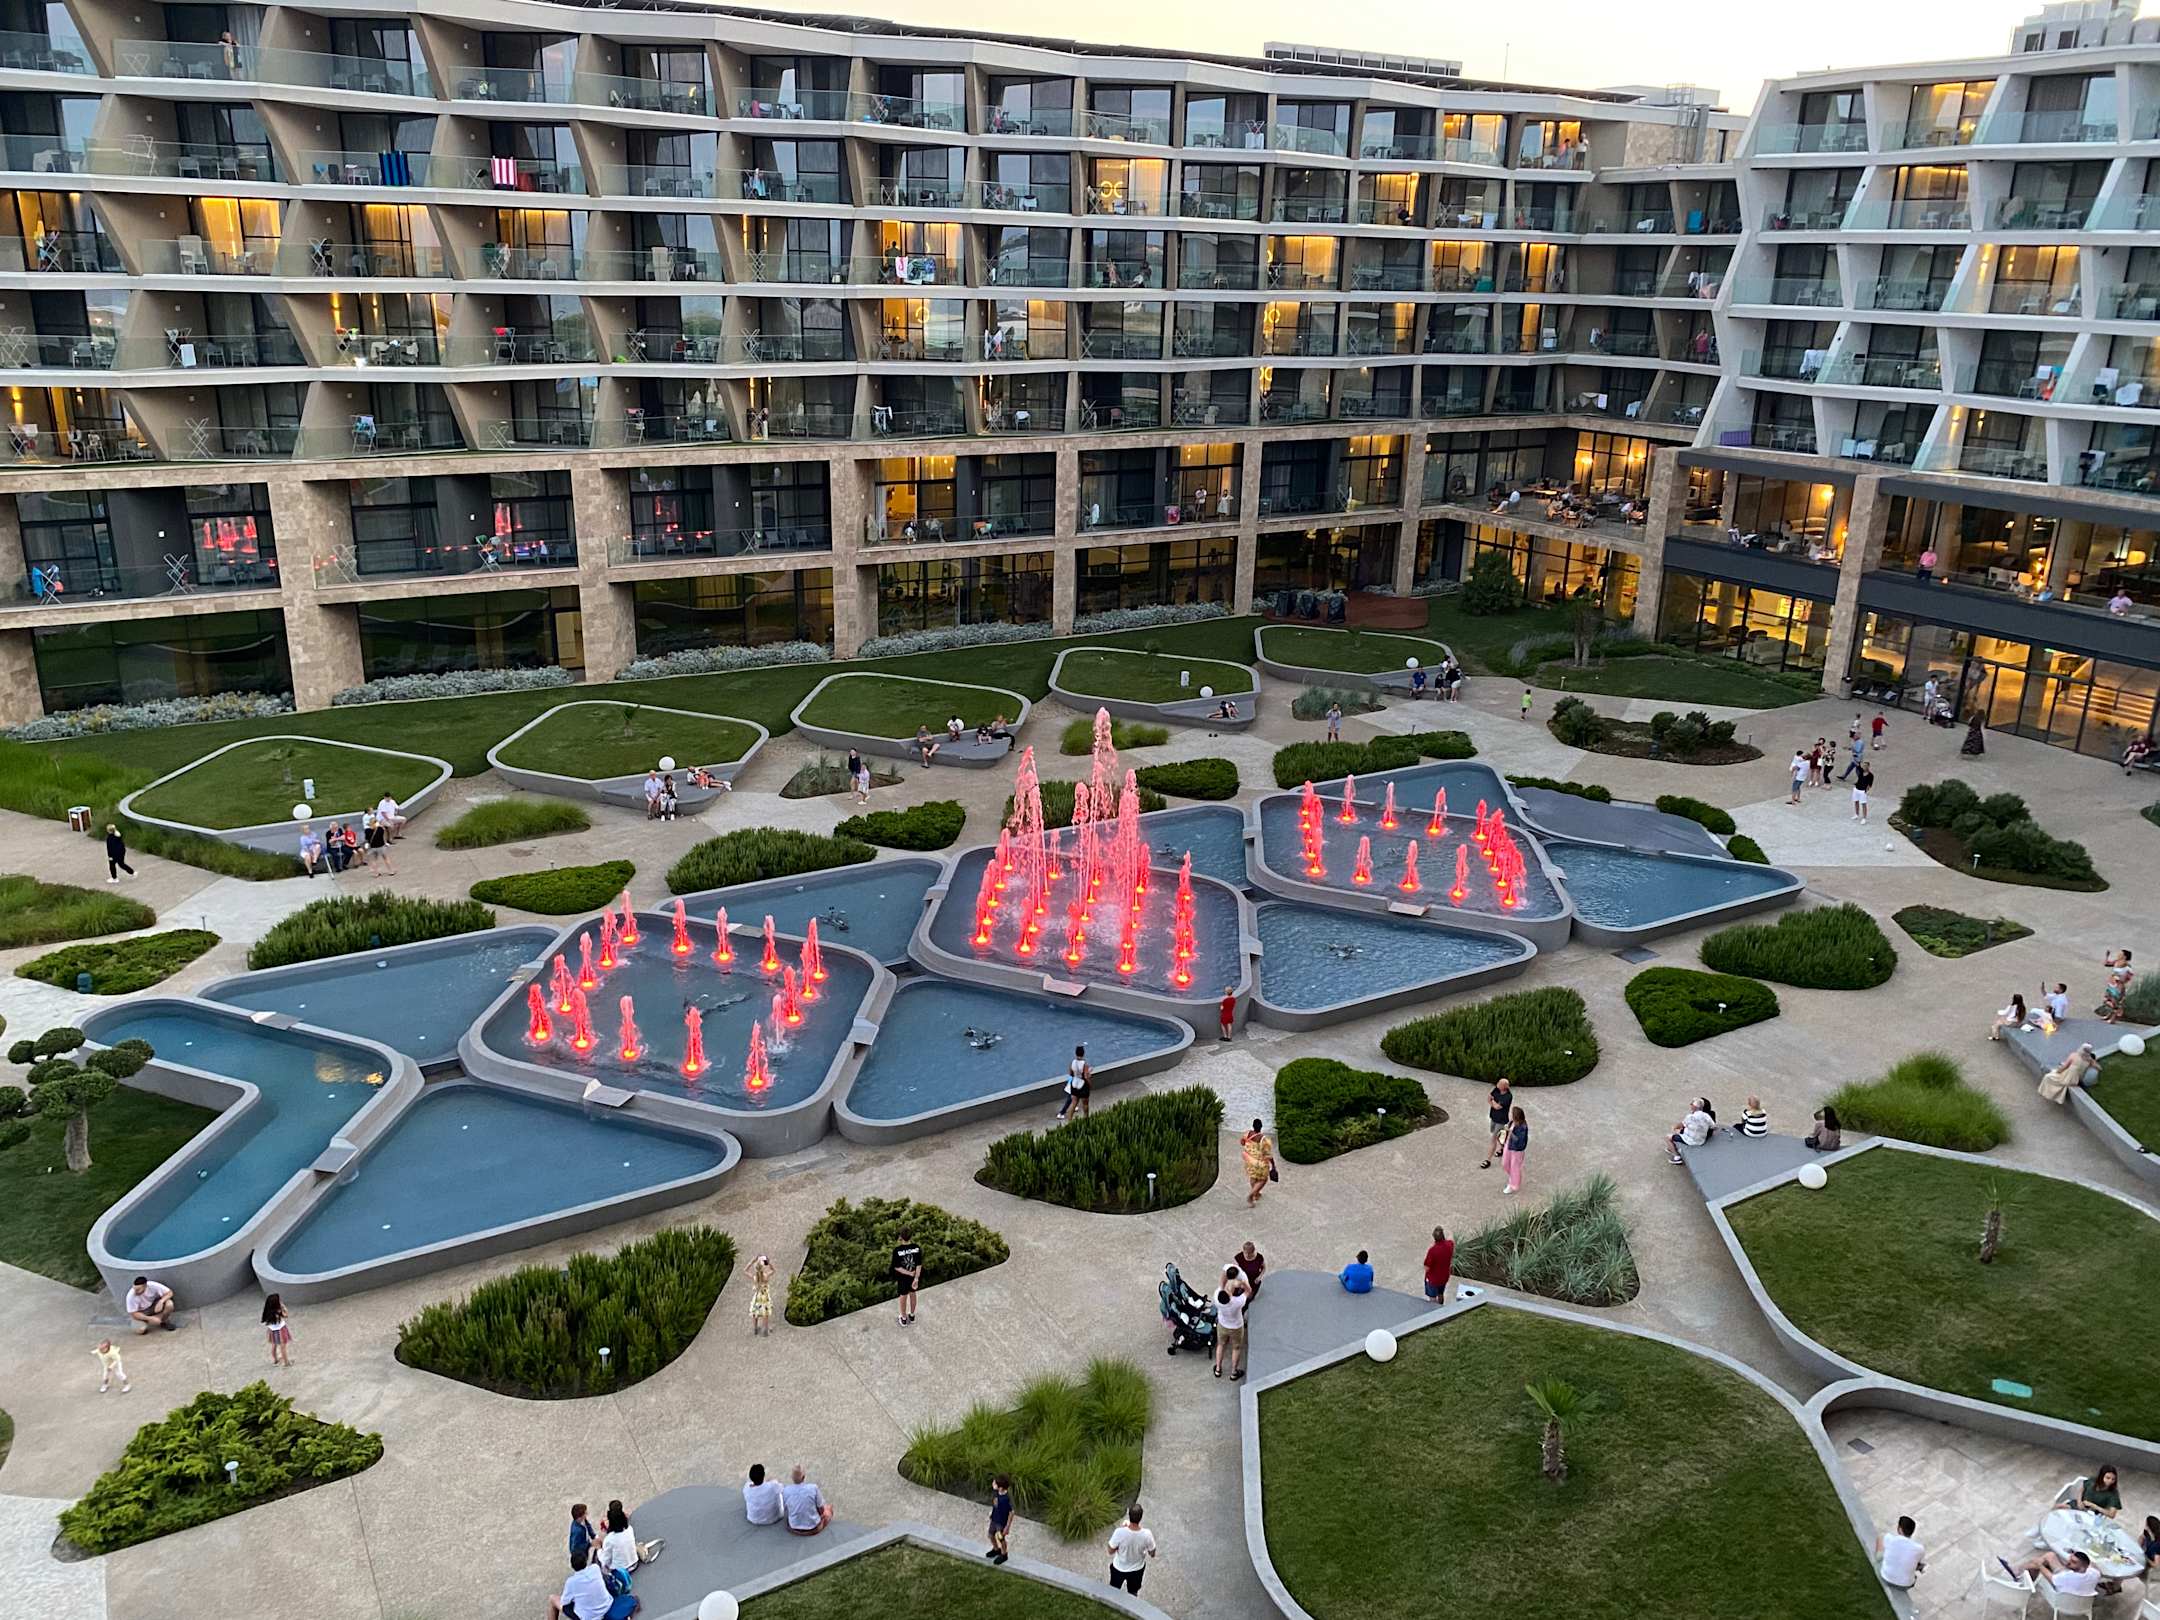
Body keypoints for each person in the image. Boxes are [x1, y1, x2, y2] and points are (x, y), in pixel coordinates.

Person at [550, 1544, 634, 1620]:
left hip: (590, 1617)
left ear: (572, 1566)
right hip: (607, 1606)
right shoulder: (595, 1568)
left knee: (553, 1598)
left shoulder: (571, 1582)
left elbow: (564, 1601)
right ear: (586, 1561)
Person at [2005, 1548, 2101, 1598]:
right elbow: (2094, 1565)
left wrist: (2040, 1565)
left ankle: (2017, 1572)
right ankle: (2019, 1572)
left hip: (2061, 1595)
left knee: (2038, 1564)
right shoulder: (2095, 1573)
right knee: (2050, 1555)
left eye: (2073, 1562)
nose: (2069, 1562)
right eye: (2070, 1559)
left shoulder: (2068, 1576)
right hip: (2080, 1595)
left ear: (2083, 1566)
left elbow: (2051, 1578)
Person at [600, 1501, 663, 1575]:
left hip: (621, 1570)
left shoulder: (609, 1539)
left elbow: (606, 1560)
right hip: (634, 1563)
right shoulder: (629, 1529)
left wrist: (599, 1550)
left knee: (600, 1555)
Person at [1106, 1504, 1157, 1594]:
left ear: (1129, 1515)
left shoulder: (1119, 1532)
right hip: (1136, 1569)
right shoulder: (1147, 1534)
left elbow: (1110, 1551)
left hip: (1119, 1567)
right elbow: (1152, 1553)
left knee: (1113, 1590)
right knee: (1133, 1592)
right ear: (1141, 1517)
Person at [1213, 1264, 1248, 1379]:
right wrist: (1243, 1283)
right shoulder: (1237, 1302)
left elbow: (1221, 1285)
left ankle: (1218, 1369)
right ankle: (1233, 1372)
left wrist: (1227, 1277)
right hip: (1236, 1327)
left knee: (1221, 1345)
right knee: (1236, 1348)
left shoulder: (1217, 1297)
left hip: (1222, 1325)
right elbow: (1248, 1291)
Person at [1876, 1515, 1925, 1590]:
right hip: (1905, 1585)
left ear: (1899, 1529)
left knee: (1880, 1539)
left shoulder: (1889, 1538)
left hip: (1885, 1577)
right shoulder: (1920, 1549)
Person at [782, 1466, 833, 1535]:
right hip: (813, 1528)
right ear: (804, 1477)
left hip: (793, 1527)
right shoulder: (813, 1488)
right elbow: (821, 1509)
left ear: (792, 1478)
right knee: (829, 1508)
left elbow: (785, 1508)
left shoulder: (785, 1490)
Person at [1666, 1097, 1716, 1164]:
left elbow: (1681, 1125)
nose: (1690, 1105)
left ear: (1695, 1107)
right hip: (1701, 1140)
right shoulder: (1707, 1116)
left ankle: (1676, 1157)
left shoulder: (1690, 1117)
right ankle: (1673, 1147)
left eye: (1692, 1104)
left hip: (1691, 1140)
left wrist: (1675, 1128)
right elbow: (1713, 1126)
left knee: (1668, 1137)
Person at [1241, 1118, 1276, 1206]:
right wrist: (1273, 1165)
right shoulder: (1264, 1140)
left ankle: (1256, 1194)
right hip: (1260, 1163)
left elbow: (1242, 1142)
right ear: (1261, 1127)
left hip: (1249, 1161)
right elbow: (1268, 1154)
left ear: (1253, 1126)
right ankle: (1252, 1194)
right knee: (1263, 1179)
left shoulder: (1247, 1134)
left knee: (1253, 1177)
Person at [890, 1230, 922, 1325]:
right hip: (914, 1277)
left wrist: (909, 1273)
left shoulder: (897, 1250)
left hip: (903, 1278)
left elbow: (897, 1267)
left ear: (900, 1237)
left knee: (903, 1297)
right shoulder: (916, 1248)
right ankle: (912, 1315)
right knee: (913, 1294)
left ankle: (903, 1318)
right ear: (911, 1237)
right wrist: (916, 1278)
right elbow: (919, 1265)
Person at [1481, 1078, 1513, 1169]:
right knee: (1498, 1136)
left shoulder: (1508, 1096)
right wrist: (1493, 1103)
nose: (1497, 1083)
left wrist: (1492, 1101)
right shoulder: (1496, 1089)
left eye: (1499, 1083)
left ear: (1504, 1086)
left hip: (1501, 1121)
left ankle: (1488, 1160)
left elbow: (1497, 1107)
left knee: (1493, 1139)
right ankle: (1503, 1148)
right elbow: (1489, 1098)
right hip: (1493, 1118)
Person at [1055, 1043, 1092, 1122]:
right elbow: (1086, 1076)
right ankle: (1086, 1120)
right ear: (1083, 1053)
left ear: (1076, 1053)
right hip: (1083, 1085)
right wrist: (1089, 1083)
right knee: (1085, 1104)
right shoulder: (1084, 1064)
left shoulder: (1072, 1062)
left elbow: (1070, 1074)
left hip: (1074, 1084)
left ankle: (1070, 1121)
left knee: (1073, 1103)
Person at [2098, 949, 2134, 1022]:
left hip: (2118, 986)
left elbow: (2129, 976)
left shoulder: (2127, 966)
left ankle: (2113, 1018)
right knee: (2109, 999)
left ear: (2124, 956)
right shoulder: (2116, 962)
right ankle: (2108, 1015)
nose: (2118, 955)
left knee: (2115, 1001)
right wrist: (2107, 956)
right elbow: (2106, 964)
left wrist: (2121, 980)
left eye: (2120, 954)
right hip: (2112, 983)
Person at [986, 1474, 1013, 1564]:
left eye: (995, 1483)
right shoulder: (997, 1493)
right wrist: (992, 1512)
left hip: (1001, 1523)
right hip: (994, 1519)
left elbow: (1011, 1513)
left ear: (1001, 1488)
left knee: (1001, 1538)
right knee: (990, 1535)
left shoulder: (1006, 1499)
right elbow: (995, 1504)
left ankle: (1004, 1554)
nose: (993, 1484)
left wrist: (1007, 1527)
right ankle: (996, 1549)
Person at [1423, 1226, 1454, 1303]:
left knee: (1432, 1299)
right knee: (1441, 1294)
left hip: (1433, 1280)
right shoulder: (1450, 1244)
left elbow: (1427, 1267)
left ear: (1434, 1237)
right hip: (1444, 1277)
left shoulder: (1432, 1251)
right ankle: (1441, 1306)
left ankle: (1435, 1310)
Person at [1501, 1105, 1528, 1194]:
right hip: (1508, 1145)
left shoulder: (1523, 1127)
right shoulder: (1512, 1122)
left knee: (1515, 1167)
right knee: (1505, 1164)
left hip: (1517, 1150)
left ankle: (1513, 1185)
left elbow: (1519, 1140)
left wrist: (1510, 1132)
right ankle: (1513, 1177)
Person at [262, 1292, 292, 1367]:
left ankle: (276, 1360)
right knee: (283, 1347)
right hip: (281, 1330)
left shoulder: (267, 1312)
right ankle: (286, 1362)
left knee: (274, 1346)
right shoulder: (278, 1311)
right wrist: (283, 1307)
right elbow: (286, 1315)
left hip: (271, 1331)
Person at [748, 1254, 775, 1336]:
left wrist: (752, 1262)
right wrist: (768, 1262)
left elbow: (745, 1271)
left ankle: (755, 1328)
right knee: (765, 1312)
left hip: (757, 1296)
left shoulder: (755, 1277)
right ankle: (765, 1330)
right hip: (765, 1296)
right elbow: (773, 1270)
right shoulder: (765, 1276)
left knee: (755, 1311)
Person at [365, 809, 396, 875]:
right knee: (386, 859)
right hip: (381, 846)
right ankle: (391, 871)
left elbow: (367, 839)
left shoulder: (367, 831)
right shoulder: (380, 829)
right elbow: (383, 837)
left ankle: (376, 873)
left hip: (373, 847)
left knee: (374, 860)